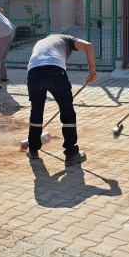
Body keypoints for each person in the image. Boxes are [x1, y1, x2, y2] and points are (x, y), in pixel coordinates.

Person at [26, 34, 97, 167]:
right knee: (67, 112)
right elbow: (88, 46)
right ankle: (71, 154)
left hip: (33, 73)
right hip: (55, 71)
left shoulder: (41, 42)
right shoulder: (66, 39)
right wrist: (92, 70)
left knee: (36, 111)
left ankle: (33, 149)